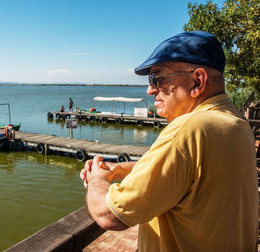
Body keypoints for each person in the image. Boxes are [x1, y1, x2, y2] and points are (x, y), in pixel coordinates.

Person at [80, 31, 258, 251]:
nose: (150, 89)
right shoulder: (236, 123)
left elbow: (108, 215)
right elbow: (188, 172)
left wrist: (97, 179)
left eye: (158, 78)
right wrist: (118, 170)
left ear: (198, 81)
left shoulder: (189, 129)